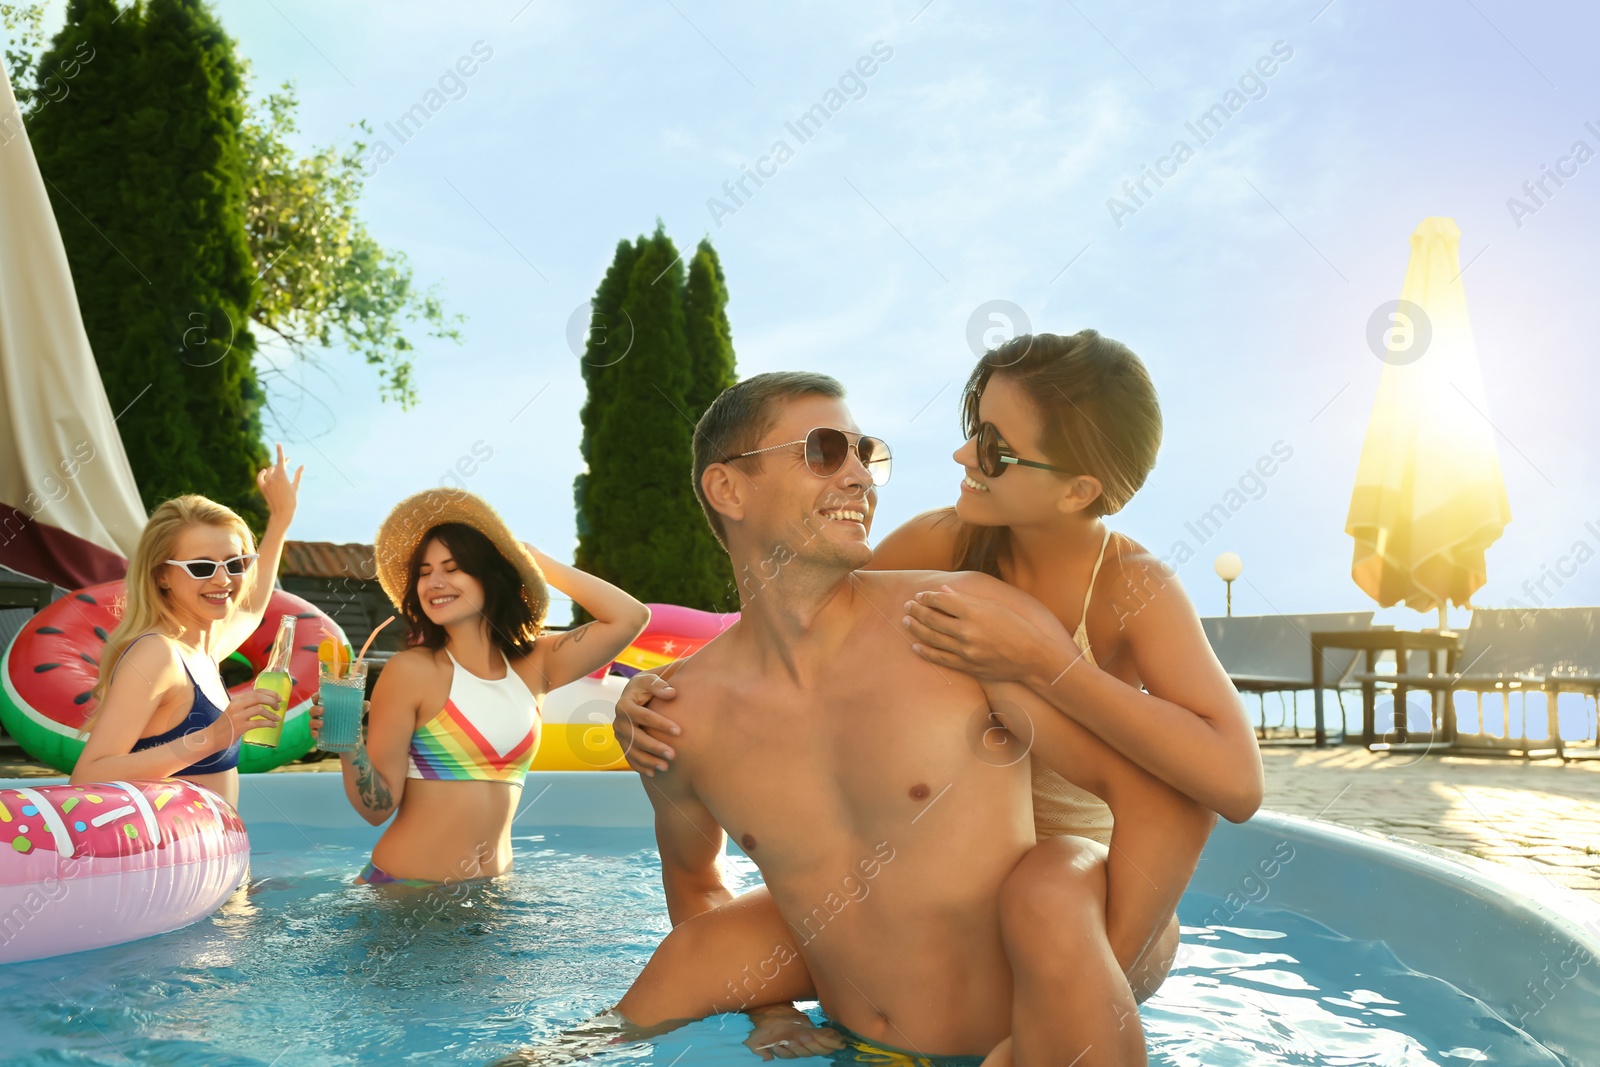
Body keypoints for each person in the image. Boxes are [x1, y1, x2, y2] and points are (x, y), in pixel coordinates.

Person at [613, 334, 1263, 1059]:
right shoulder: (938, 561)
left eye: (992, 448)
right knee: (691, 961)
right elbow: (800, 618)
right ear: (726, 486)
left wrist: (1054, 664)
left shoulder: (1091, 593)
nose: (865, 478)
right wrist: (661, 689)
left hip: (1091, 887)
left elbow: (1223, 783)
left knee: (1048, 894)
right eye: (827, 451)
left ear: (1077, 489)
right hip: (928, 894)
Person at [317, 489, 648, 886]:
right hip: (405, 896)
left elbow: (629, 617)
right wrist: (349, 741)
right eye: (423, 572)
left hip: (491, 899)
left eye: (453, 567)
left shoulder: (535, 664)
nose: (434, 582)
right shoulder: (412, 671)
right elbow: (377, 809)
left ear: (490, 575)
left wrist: (533, 560)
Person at [73, 446, 304, 809]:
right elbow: (87, 778)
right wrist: (212, 737)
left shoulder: (203, 651)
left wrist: (280, 519)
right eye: (201, 567)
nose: (223, 579)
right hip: (162, 864)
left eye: (235, 562)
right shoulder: (157, 654)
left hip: (206, 860)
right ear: (162, 576)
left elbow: (254, 606)